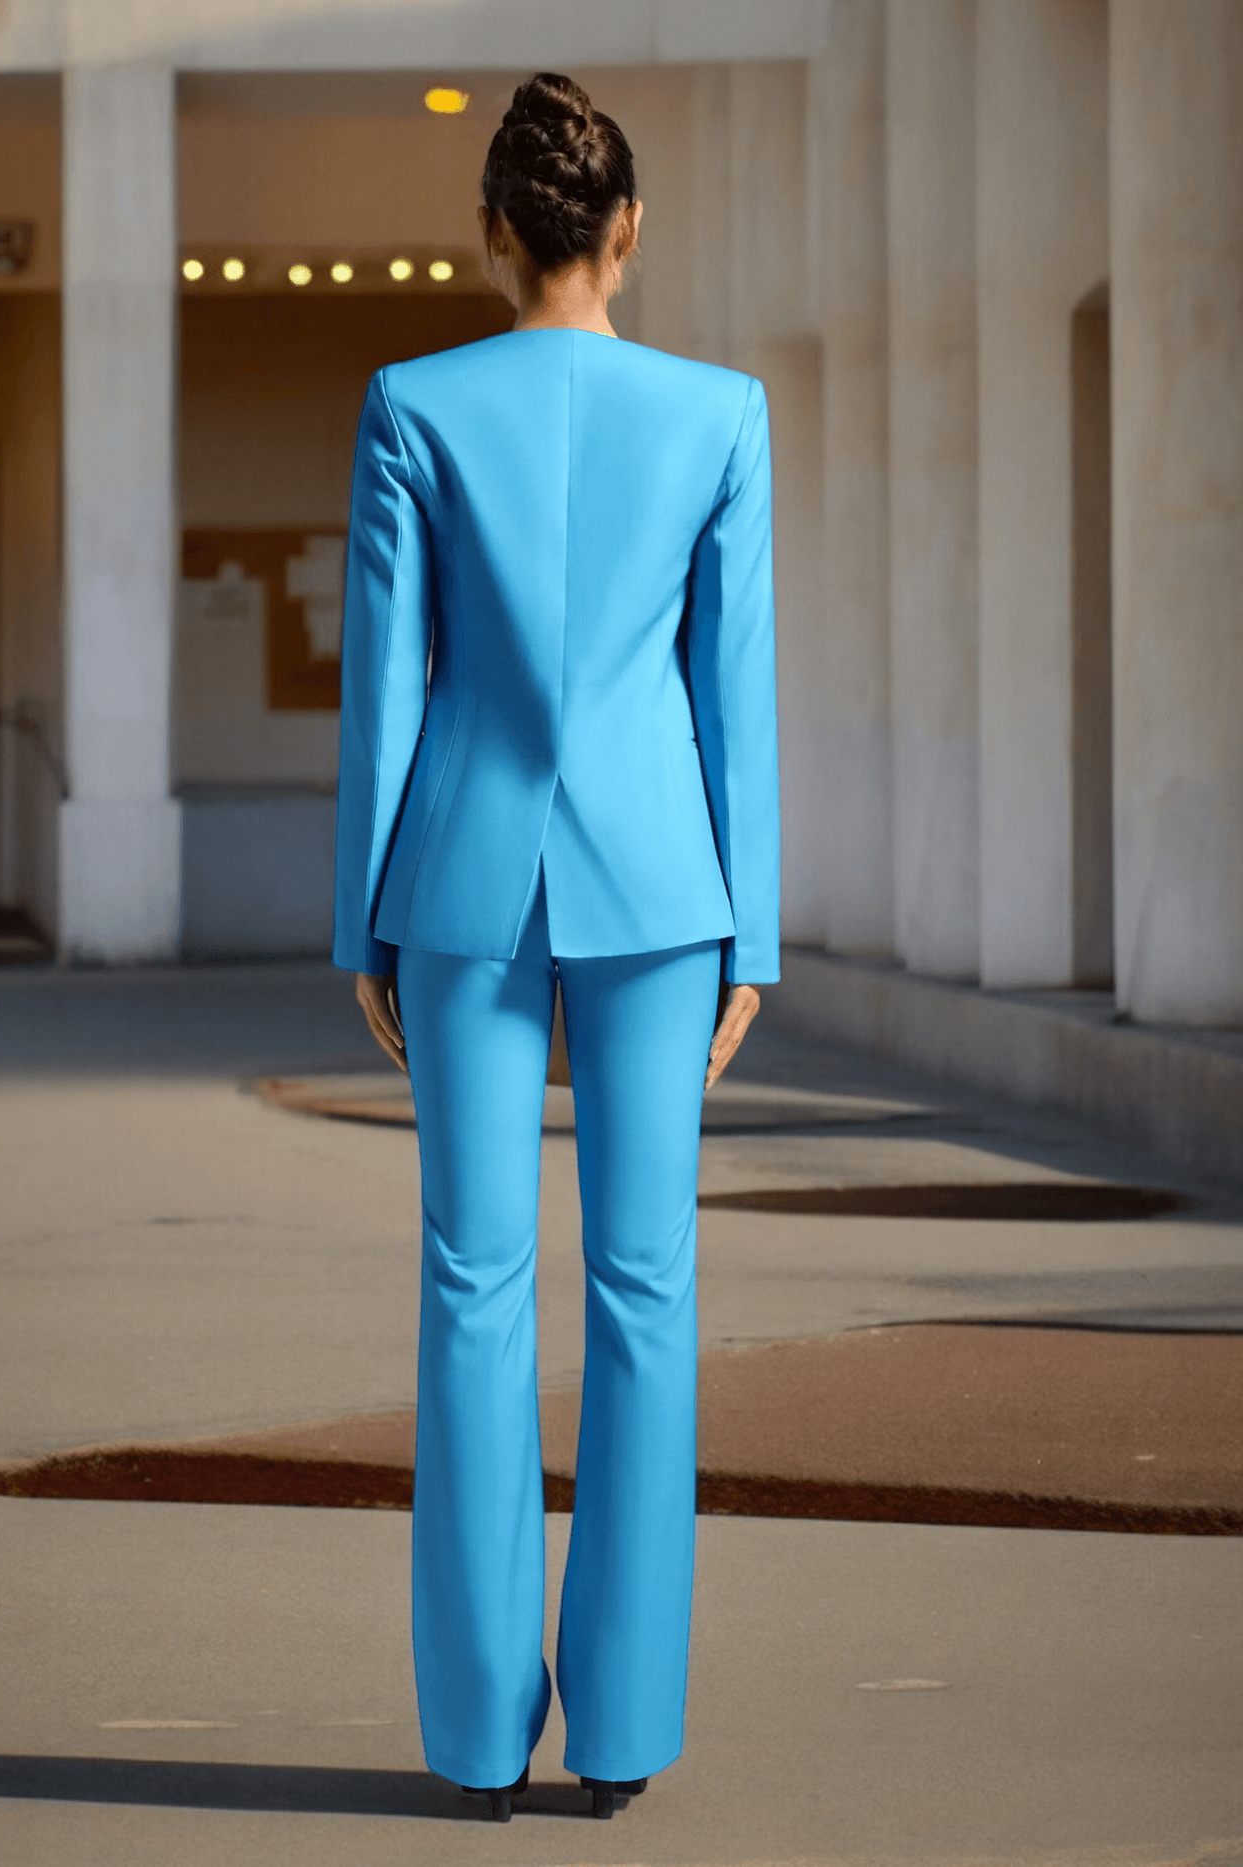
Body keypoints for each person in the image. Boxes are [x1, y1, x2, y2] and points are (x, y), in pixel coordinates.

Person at [331, 69, 780, 1823]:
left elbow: (389, 690)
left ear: (497, 239)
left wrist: (361, 909)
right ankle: (623, 1734)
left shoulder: (410, 403)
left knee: (470, 1291)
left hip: (457, 887)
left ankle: (468, 1741)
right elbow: (728, 688)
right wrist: (753, 920)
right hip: (666, 891)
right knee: (650, 1294)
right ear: (630, 234)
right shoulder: (721, 411)